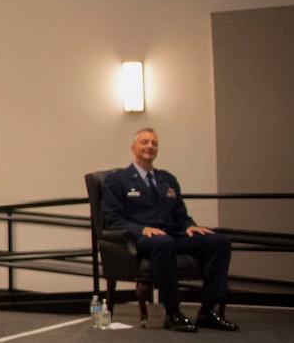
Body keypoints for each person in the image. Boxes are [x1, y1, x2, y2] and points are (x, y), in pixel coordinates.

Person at [101, 128, 239, 333]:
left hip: (173, 233)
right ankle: (172, 312)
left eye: (154, 143)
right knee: (162, 242)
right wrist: (142, 229)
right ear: (133, 148)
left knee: (219, 241)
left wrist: (190, 226)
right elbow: (112, 219)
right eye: (144, 142)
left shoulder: (167, 179)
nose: (150, 147)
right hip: (143, 237)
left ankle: (209, 310)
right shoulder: (118, 180)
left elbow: (180, 214)